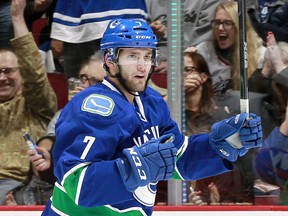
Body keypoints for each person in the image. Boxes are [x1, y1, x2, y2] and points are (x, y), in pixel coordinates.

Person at [41, 18, 262, 216]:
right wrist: (137, 167)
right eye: (132, 56)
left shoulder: (152, 102)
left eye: (147, 56)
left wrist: (219, 145)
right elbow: (78, 183)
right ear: (110, 60)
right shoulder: (92, 107)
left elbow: (176, 159)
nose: (142, 65)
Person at [25, 51, 106, 205]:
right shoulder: (63, 115)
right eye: (83, 78)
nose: (85, 86)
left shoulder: (128, 115)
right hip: (68, 195)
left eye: (95, 82)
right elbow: (51, 159)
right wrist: (48, 165)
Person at [0, 0, 57, 205]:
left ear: (21, 73)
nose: (2, 78)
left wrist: (17, 17)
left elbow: (35, 74)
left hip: (13, 186)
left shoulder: (36, 105)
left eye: (8, 71)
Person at [50, 0, 148, 79]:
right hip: (78, 22)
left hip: (126, 15)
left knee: (126, 89)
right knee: (79, 90)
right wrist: (60, 31)